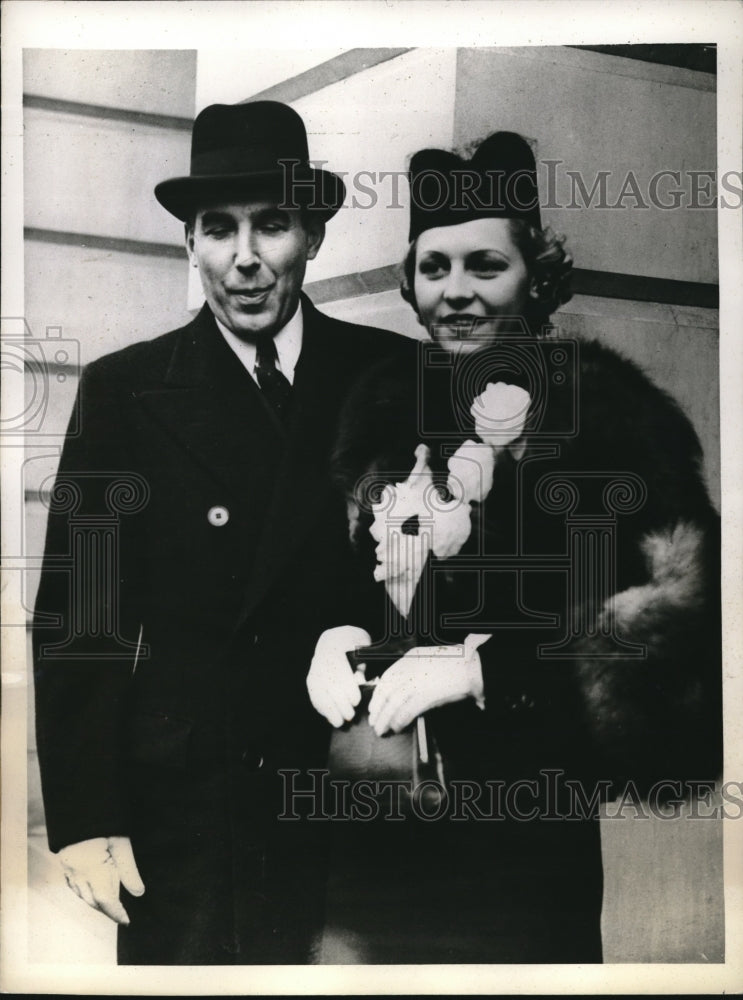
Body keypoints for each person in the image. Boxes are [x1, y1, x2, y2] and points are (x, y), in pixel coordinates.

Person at [306, 132, 722, 962]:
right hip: (376, 837)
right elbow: (343, 580)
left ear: (535, 277)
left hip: (524, 848)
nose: (455, 291)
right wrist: (334, 633)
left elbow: (680, 642)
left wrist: (487, 671)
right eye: (433, 267)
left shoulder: (611, 423)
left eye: (485, 265)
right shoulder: (381, 413)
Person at [32, 100, 406, 965]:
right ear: (189, 243)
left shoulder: (388, 376)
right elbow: (81, 618)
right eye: (218, 228)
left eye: (271, 224)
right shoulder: (125, 391)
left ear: (312, 236)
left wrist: (361, 633)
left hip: (350, 779)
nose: (244, 257)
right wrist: (85, 819)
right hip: (192, 808)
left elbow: (439, 579)